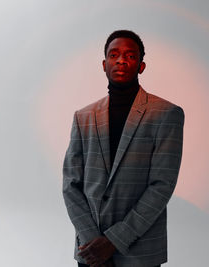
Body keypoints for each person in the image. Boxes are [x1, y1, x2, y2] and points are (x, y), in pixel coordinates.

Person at [62, 29, 185, 267]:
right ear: (104, 63)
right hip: (91, 253)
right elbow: (71, 185)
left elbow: (162, 186)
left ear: (141, 66)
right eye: (114, 54)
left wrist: (114, 241)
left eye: (130, 56)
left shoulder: (167, 114)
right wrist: (93, 241)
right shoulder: (83, 116)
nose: (121, 60)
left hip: (139, 252)